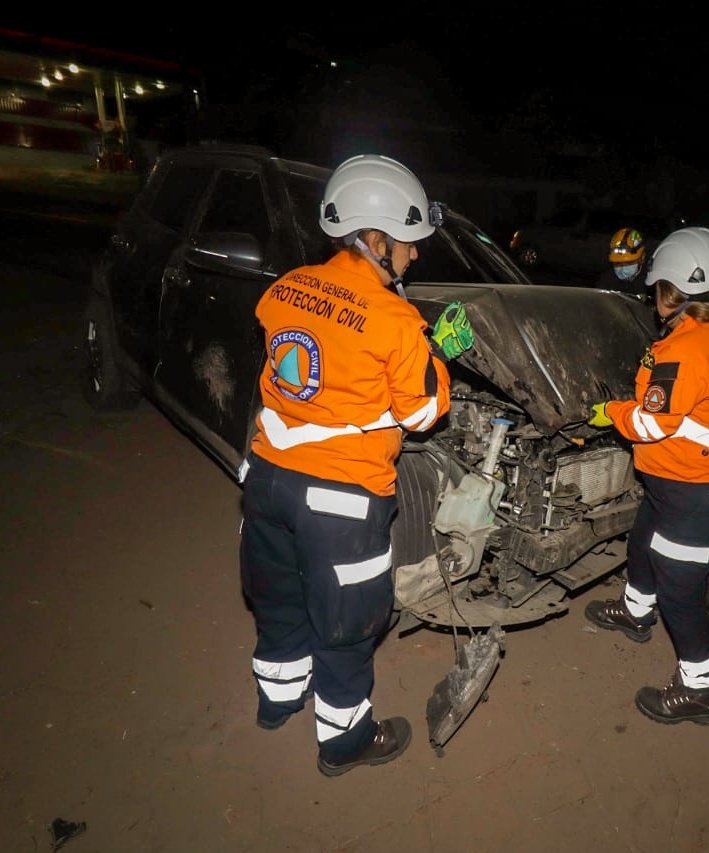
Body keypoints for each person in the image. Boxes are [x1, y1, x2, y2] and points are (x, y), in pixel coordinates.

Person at [238, 154, 475, 777]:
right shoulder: (396, 320)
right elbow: (421, 413)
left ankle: (276, 700)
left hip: (266, 479)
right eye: (407, 242)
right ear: (375, 238)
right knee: (345, 624)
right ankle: (344, 742)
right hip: (339, 499)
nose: (414, 255)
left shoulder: (284, 288)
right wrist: (436, 354)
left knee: (280, 598)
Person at [584, 227, 709, 725]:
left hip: (698, 493)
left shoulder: (682, 349)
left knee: (680, 593)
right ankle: (636, 610)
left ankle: (699, 688)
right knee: (643, 542)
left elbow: (650, 423)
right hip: (681, 483)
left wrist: (611, 412)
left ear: (668, 292)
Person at [594, 227, 649, 296]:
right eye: (617, 263)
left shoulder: (651, 282)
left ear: (642, 257)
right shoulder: (606, 280)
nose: (622, 268)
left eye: (629, 262)